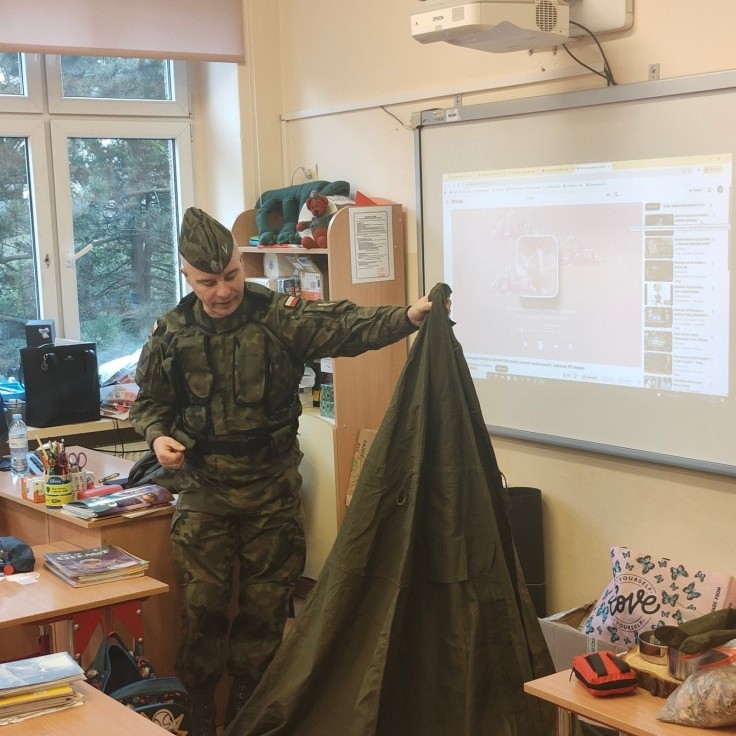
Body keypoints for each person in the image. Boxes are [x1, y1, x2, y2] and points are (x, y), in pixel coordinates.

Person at [129, 207, 435, 736]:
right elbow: (149, 402)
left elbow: (344, 325)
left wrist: (407, 317)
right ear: (186, 276)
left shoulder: (278, 316)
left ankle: (250, 712)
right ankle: (199, 711)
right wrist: (158, 437)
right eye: (208, 282)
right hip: (204, 488)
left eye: (231, 275)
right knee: (202, 606)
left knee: (266, 608)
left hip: (270, 487)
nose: (223, 291)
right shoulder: (172, 332)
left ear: (238, 262)